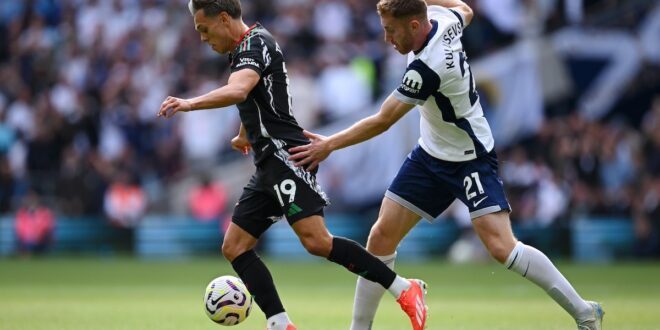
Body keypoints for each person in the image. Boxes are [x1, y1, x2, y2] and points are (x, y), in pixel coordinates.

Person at [288, 1, 605, 329]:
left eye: (390, 30)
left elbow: (383, 120)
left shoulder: (429, 67)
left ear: (413, 26)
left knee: (501, 248)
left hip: (470, 158)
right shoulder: (441, 18)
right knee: (380, 236)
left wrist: (329, 144)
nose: (386, 39)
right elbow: (464, 9)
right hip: (430, 155)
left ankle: (585, 312)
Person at [157, 1, 427, 329]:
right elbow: (254, 97)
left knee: (317, 242)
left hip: (287, 157)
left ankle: (403, 288)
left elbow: (240, 89)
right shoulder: (246, 47)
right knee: (235, 246)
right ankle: (279, 323)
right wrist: (246, 135)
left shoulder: (254, 45)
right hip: (269, 162)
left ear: (224, 18)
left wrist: (189, 103)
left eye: (204, 28)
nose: (202, 37)